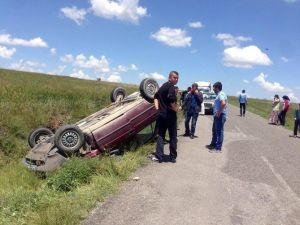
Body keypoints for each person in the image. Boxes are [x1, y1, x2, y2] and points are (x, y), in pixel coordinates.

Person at [152, 71, 179, 163]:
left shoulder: (163, 86)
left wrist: (157, 109)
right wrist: (176, 109)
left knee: (161, 135)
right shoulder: (171, 87)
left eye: (177, 78)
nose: (176, 79)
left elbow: (155, 97)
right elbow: (171, 101)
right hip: (170, 116)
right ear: (170, 77)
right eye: (174, 77)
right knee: (173, 136)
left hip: (161, 115)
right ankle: (172, 157)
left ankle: (159, 156)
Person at [206, 82, 227, 152]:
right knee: (215, 131)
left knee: (219, 132)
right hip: (218, 116)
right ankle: (213, 144)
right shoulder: (219, 94)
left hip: (220, 116)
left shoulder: (221, 94)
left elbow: (223, 103)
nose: (213, 89)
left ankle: (218, 148)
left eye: (214, 88)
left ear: (217, 88)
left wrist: (219, 112)